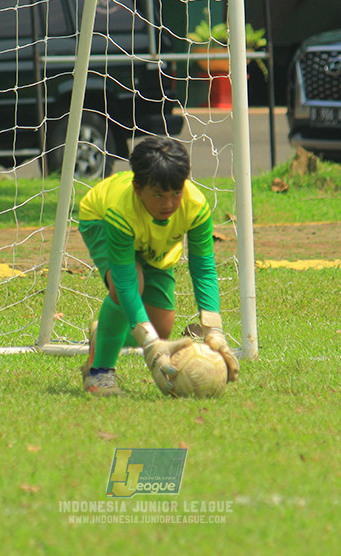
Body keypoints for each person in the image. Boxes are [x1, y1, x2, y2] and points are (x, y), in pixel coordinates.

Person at [77, 136, 239, 396]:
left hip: (152, 243)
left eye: (176, 193)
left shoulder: (195, 207)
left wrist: (214, 329)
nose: (168, 204)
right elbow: (126, 282)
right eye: (158, 195)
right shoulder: (121, 211)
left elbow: (203, 267)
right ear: (138, 189)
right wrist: (150, 345)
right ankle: (99, 374)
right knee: (127, 288)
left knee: (160, 327)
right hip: (99, 219)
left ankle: (104, 334)